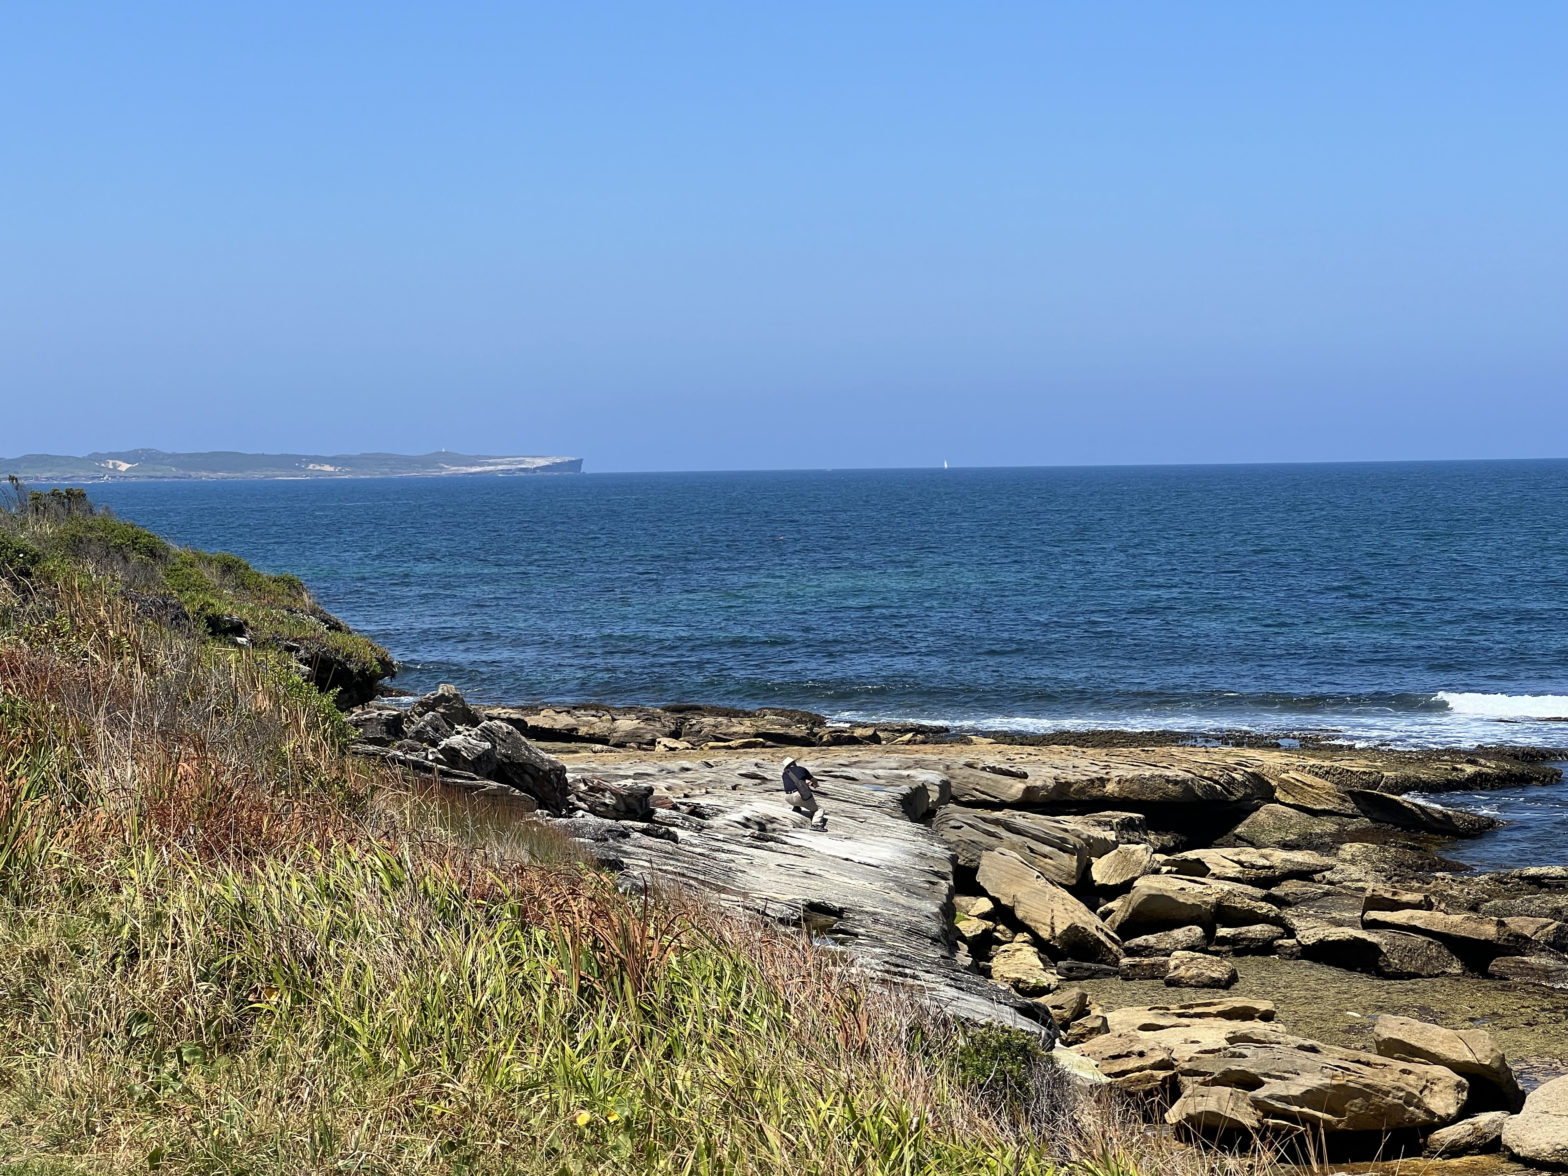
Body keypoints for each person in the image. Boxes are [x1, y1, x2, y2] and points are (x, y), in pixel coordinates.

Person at [781, 757, 828, 830]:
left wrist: (809, 783)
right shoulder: (801, 769)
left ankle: (796, 808)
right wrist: (815, 784)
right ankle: (816, 825)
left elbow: (798, 782)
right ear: (793, 762)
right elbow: (813, 779)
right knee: (819, 809)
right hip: (799, 796)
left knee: (798, 800)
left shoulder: (784, 774)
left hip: (788, 798)